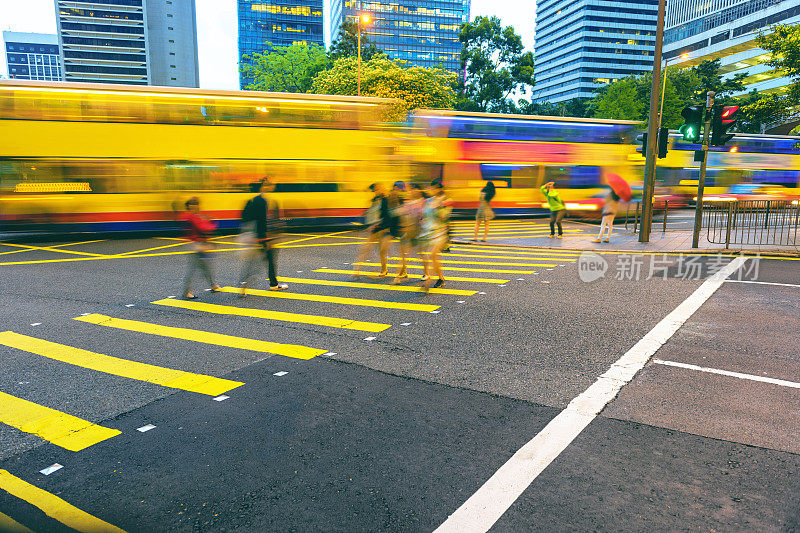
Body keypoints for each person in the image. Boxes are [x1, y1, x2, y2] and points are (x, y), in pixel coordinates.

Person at [239, 178, 288, 296]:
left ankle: (273, 284)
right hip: (263, 238)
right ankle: (245, 287)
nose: (271, 187)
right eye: (268, 185)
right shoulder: (262, 201)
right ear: (263, 187)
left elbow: (245, 218)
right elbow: (262, 221)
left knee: (266, 261)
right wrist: (264, 239)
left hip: (257, 236)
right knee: (257, 265)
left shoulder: (252, 200)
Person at [180, 197, 220, 299]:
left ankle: (213, 285)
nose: (196, 206)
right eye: (195, 204)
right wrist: (212, 222)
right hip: (194, 246)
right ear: (191, 206)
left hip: (195, 245)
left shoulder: (189, 216)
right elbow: (204, 228)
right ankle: (186, 292)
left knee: (205, 267)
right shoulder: (192, 217)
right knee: (192, 269)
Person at [353, 183, 392, 277]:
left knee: (382, 251)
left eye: (376, 190)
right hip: (374, 229)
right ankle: (357, 270)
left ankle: (384, 270)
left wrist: (377, 224)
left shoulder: (386, 200)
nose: (375, 192)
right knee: (365, 248)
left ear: (382, 189)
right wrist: (365, 213)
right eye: (374, 191)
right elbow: (373, 211)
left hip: (383, 229)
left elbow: (386, 216)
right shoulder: (374, 200)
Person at [419, 180, 451, 290]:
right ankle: (441, 278)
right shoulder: (428, 201)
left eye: (434, 188)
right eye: (431, 188)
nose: (431, 190)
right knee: (435, 257)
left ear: (439, 189)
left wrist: (439, 210)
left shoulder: (444, 200)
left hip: (441, 232)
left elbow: (445, 217)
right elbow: (424, 215)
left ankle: (428, 282)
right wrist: (423, 219)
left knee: (433, 255)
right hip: (429, 232)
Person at [393, 182, 426, 284]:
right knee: (404, 254)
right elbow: (401, 212)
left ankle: (426, 273)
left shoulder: (423, 202)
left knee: (421, 253)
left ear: (419, 190)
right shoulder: (409, 202)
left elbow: (425, 216)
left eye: (413, 189)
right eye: (410, 189)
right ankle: (399, 275)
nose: (411, 191)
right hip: (409, 231)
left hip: (419, 231)